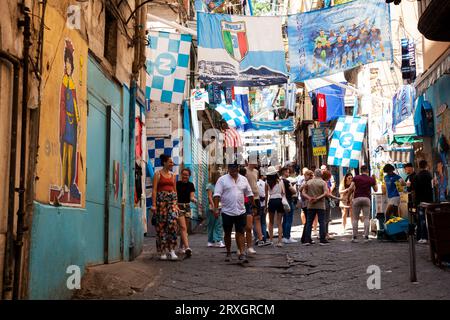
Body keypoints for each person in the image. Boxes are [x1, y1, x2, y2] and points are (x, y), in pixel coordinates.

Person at [213, 164, 254, 263]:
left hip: (240, 210)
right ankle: (228, 252)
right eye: (231, 169)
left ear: (238, 169)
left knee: (240, 232)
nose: (233, 171)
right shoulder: (222, 180)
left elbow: (249, 193)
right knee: (227, 233)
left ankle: (242, 253)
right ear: (228, 169)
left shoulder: (243, 179)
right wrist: (215, 208)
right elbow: (217, 195)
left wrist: (253, 206)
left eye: (235, 169)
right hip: (227, 211)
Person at [151, 154, 179, 260]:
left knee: (172, 224)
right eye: (170, 162)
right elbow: (154, 190)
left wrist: (176, 204)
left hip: (171, 202)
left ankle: (172, 250)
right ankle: (162, 251)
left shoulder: (173, 175)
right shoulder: (157, 174)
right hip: (161, 203)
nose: (172, 164)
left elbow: (175, 190)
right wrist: (153, 204)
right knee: (161, 227)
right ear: (164, 162)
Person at [301, 169, 330, 245]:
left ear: (314, 174)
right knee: (322, 222)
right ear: (321, 174)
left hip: (310, 205)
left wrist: (309, 198)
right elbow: (326, 193)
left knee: (309, 223)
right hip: (320, 205)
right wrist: (318, 198)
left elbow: (303, 192)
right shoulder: (323, 182)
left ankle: (307, 240)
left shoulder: (309, 182)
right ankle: (322, 239)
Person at [349, 166, 378, 242]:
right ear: (367, 171)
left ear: (361, 171)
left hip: (357, 198)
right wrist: (375, 181)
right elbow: (376, 189)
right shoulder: (371, 179)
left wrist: (348, 197)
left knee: (355, 218)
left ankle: (354, 237)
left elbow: (351, 188)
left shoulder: (356, 178)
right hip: (366, 199)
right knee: (366, 218)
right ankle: (366, 237)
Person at [176, 168, 196, 257]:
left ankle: (181, 246)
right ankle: (186, 247)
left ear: (189, 176)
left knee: (184, 228)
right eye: (183, 174)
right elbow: (175, 195)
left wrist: (194, 200)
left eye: (186, 175)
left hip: (187, 207)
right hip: (178, 206)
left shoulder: (191, 185)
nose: (185, 176)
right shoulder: (177, 184)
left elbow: (191, 197)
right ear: (181, 175)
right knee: (181, 227)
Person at [245, 163, 265, 252]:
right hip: (248, 197)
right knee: (249, 219)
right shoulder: (245, 171)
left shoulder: (256, 171)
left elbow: (255, 183)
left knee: (257, 218)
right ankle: (250, 238)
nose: (257, 163)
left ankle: (260, 239)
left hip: (256, 197)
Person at [264, 166, 286, 247]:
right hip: (279, 201)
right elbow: (283, 192)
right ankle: (280, 241)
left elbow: (266, 195)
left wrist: (266, 206)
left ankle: (271, 240)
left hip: (272, 201)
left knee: (271, 222)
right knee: (279, 222)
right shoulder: (280, 181)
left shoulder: (267, 182)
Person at [414, 160, 433, 244]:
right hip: (429, 199)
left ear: (419, 166)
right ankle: (425, 237)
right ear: (426, 165)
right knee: (427, 219)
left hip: (420, 200)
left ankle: (421, 236)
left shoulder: (417, 176)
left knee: (421, 219)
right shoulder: (429, 175)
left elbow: (414, 189)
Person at [206, 170, 225, 248]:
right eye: (218, 176)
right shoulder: (210, 186)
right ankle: (210, 241)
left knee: (219, 224)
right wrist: (214, 207)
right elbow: (210, 197)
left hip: (220, 207)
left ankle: (219, 240)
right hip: (212, 208)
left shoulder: (221, 186)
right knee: (211, 224)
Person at [281, 167, 298, 244]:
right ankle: (287, 236)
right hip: (288, 200)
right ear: (284, 172)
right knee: (289, 219)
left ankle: (285, 236)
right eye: (287, 172)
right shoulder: (286, 181)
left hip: (282, 201)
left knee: (284, 219)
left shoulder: (279, 181)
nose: (288, 173)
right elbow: (293, 191)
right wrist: (292, 185)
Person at [299, 170, 314, 244]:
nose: (311, 177)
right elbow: (300, 189)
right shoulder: (305, 182)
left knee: (308, 222)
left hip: (307, 203)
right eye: (310, 175)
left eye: (311, 175)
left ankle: (305, 238)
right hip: (306, 204)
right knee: (308, 222)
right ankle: (305, 238)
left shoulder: (309, 182)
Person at [257, 173, 271, 245]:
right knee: (263, 222)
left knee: (256, 222)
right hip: (262, 205)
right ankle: (264, 238)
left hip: (256, 205)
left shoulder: (253, 183)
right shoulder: (264, 183)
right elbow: (266, 195)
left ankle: (257, 238)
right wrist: (266, 205)